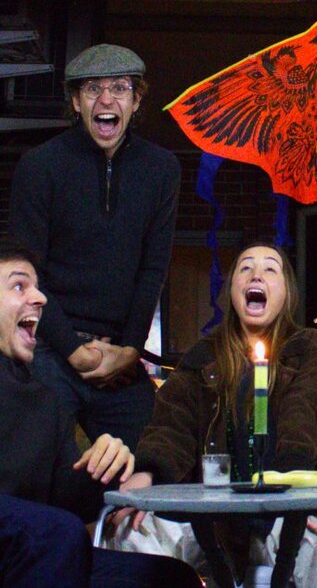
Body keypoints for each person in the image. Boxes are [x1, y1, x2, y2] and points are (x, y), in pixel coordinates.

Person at [112, 244, 317, 586]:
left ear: (287, 293)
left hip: (290, 501)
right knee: (131, 529)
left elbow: (307, 412)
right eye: (245, 268)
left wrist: (295, 486)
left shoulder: (312, 348)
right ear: (231, 291)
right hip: (212, 514)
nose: (256, 274)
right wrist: (150, 472)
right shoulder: (204, 355)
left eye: (270, 269)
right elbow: (173, 422)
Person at [9, 44, 180, 450]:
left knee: (151, 461)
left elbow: (153, 268)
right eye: (92, 89)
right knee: (36, 466)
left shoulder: (162, 169)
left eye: (120, 88)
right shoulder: (39, 166)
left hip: (119, 354)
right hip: (50, 347)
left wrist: (129, 349)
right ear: (75, 101)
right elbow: (27, 274)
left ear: (136, 101)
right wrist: (72, 349)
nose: (106, 99)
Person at [0, 243, 201, 588]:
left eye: (37, 286)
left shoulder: (47, 400)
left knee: (169, 577)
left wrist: (106, 465)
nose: (40, 298)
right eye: (19, 286)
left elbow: (68, 501)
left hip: (34, 550)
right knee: (59, 535)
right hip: (35, 541)